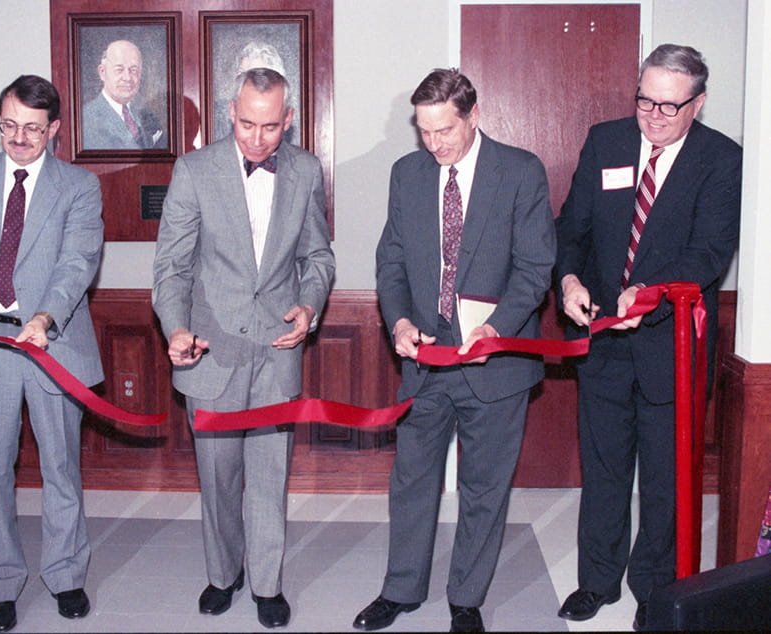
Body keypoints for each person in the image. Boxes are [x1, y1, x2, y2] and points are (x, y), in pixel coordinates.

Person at [353, 68, 555, 633]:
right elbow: (391, 259)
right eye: (424, 131)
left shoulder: (520, 171)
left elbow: (535, 267)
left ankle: (466, 599)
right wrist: (398, 320)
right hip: (426, 359)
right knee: (411, 479)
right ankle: (400, 590)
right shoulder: (408, 174)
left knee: (484, 487)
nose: (434, 143)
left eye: (445, 130)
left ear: (473, 116)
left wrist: (497, 328)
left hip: (496, 361)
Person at [555, 44, 741, 631]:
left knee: (665, 480)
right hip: (603, 343)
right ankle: (597, 580)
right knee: (604, 470)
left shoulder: (721, 159)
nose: (653, 116)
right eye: (645, 100)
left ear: (698, 103)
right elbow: (571, 228)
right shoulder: (605, 141)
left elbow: (708, 253)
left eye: (669, 105)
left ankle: (654, 591)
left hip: (672, 348)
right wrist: (569, 279)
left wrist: (650, 294)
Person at [152, 67, 334, 629]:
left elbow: (318, 257)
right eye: (247, 124)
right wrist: (175, 329)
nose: (257, 138)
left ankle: (267, 584)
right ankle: (223, 573)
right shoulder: (194, 170)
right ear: (230, 113)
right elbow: (172, 266)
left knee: (270, 475)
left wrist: (309, 307)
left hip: (277, 349)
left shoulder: (305, 171)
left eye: (271, 127)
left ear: (289, 120)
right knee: (218, 476)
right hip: (211, 350)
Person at [0, 75, 104, 633]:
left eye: (32, 128)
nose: (19, 138)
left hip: (53, 342)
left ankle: (66, 576)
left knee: (61, 467)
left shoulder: (78, 186)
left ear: (54, 129)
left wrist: (44, 317)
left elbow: (77, 262)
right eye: (9, 125)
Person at [82, 39, 165, 150]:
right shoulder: (85, 119)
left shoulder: (147, 117)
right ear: (102, 72)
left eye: (133, 70)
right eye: (119, 70)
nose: (127, 78)